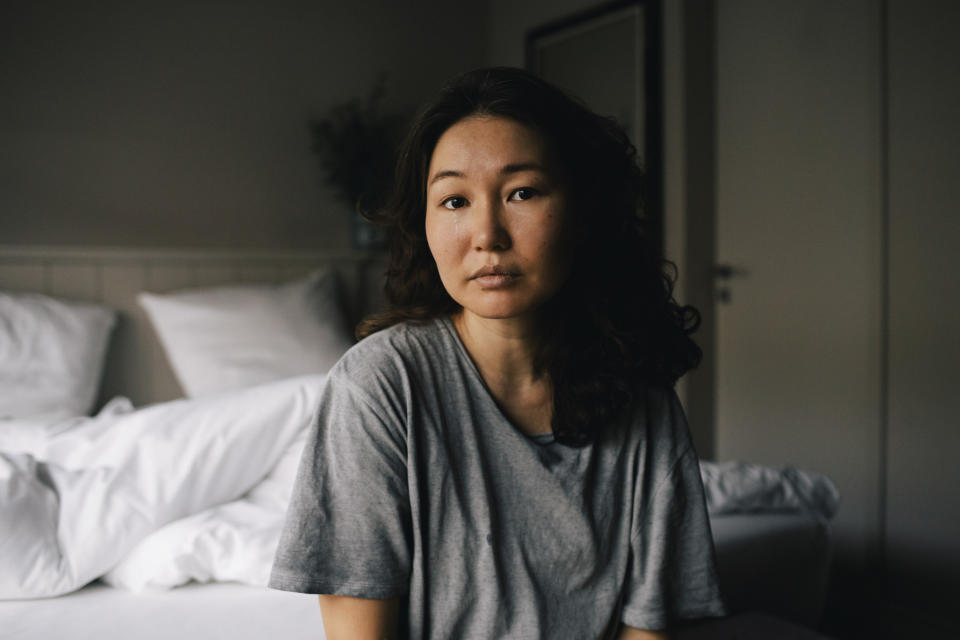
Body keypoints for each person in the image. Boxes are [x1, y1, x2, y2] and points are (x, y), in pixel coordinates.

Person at [269, 67, 725, 639]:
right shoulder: (380, 385)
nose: (487, 233)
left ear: (583, 212)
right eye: (455, 200)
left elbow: (651, 627)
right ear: (425, 226)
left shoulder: (642, 399)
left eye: (522, 193)